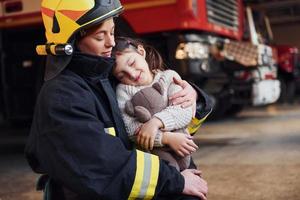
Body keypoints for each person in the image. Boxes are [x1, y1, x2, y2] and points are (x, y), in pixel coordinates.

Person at [25, 0, 212, 199]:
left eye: (112, 32)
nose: (111, 43)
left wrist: (192, 97)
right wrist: (177, 181)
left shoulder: (106, 78)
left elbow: (165, 114)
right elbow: (102, 165)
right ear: (71, 42)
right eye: (100, 36)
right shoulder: (63, 97)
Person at [113, 37, 204, 171]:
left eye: (132, 63)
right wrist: (165, 138)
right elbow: (130, 128)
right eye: (121, 75)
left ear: (141, 52)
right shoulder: (123, 91)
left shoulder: (169, 77)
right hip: (150, 160)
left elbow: (184, 110)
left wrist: (155, 122)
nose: (131, 74)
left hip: (182, 153)